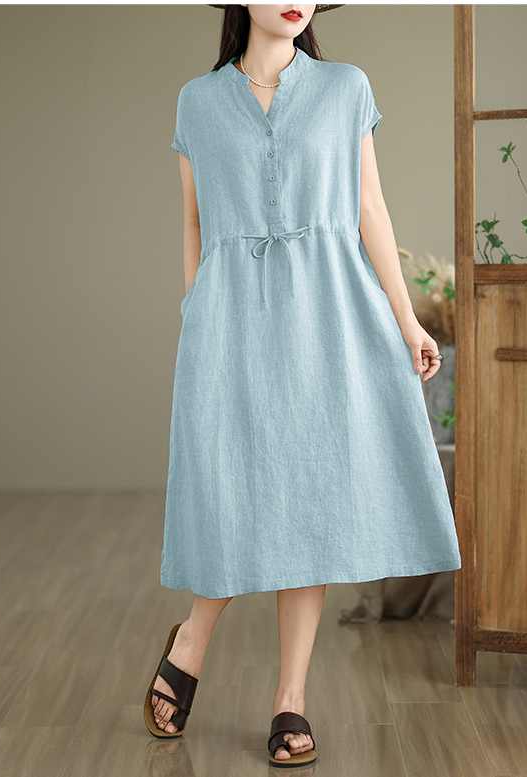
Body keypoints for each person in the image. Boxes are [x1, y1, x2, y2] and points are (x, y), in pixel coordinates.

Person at [145, 3, 462, 768]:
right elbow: (193, 222)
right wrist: (196, 311)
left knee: (309, 501)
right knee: (233, 491)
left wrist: (409, 322)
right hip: (230, 322)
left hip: (328, 316)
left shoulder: (346, 87)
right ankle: (192, 639)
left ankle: (291, 696)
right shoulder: (197, 101)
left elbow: (370, 209)